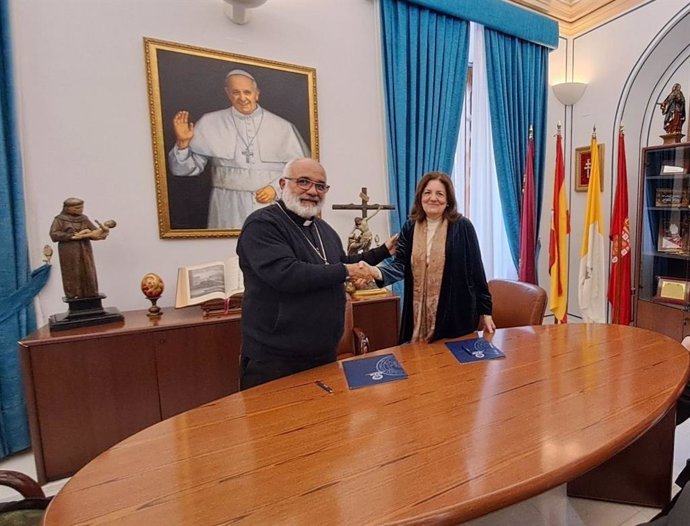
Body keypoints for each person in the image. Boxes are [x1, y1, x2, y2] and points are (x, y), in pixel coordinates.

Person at [236, 158, 395, 390]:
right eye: (304, 182)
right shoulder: (262, 225)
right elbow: (286, 273)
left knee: (328, 424)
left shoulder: (324, 230)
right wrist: (346, 270)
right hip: (276, 360)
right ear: (282, 183)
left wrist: (383, 251)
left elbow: (339, 264)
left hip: (323, 354)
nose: (313, 191)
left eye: (320, 186)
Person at [168, 69, 310, 229]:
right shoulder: (210, 122)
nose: (242, 98)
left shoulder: (283, 127)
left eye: (247, 92)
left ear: (257, 94)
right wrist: (183, 143)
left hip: (270, 202)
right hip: (226, 205)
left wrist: (276, 189)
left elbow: (302, 173)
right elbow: (183, 170)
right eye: (236, 92)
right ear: (228, 93)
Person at [369, 172, 495, 343]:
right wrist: (375, 271)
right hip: (417, 316)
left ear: (448, 200)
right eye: (427, 193)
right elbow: (401, 266)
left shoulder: (463, 227)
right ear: (420, 197)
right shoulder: (410, 227)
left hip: (456, 314)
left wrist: (486, 312)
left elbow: (477, 272)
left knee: (452, 365)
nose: (433, 198)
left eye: (440, 194)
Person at [49, 198, 113, 299]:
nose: (80, 210)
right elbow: (53, 234)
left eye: (81, 207)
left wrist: (102, 233)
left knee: (88, 270)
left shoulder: (84, 219)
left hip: (84, 248)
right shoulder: (60, 219)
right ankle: (73, 294)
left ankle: (90, 293)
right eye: (77, 208)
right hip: (68, 250)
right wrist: (70, 236)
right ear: (67, 208)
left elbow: (95, 232)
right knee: (72, 271)